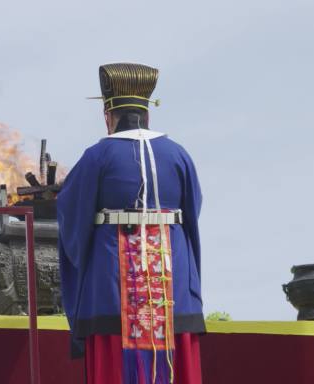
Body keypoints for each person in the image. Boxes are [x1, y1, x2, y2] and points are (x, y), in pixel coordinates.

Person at [57, 63, 204, 384]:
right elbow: (193, 213)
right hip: (172, 278)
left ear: (109, 117)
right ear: (148, 115)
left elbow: (72, 214)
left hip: (113, 282)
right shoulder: (178, 154)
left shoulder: (97, 156)